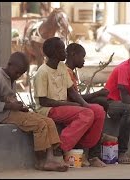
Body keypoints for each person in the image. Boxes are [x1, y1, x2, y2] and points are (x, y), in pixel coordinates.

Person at [0, 52, 68, 172]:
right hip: (3, 115)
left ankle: (51, 158)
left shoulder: (11, 79)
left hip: (13, 112)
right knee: (39, 125)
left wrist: (20, 107)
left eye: (21, 74)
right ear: (9, 64)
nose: (18, 75)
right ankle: (41, 161)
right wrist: (10, 106)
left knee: (48, 121)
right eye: (17, 72)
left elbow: (10, 98)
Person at [33, 37, 107, 167]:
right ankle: (59, 149)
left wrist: (85, 104)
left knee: (98, 111)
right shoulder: (42, 72)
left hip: (63, 107)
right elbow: (43, 101)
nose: (65, 52)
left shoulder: (61, 67)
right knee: (86, 114)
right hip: (49, 109)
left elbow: (71, 91)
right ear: (55, 52)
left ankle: (84, 146)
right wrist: (71, 104)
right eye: (62, 49)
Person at [65, 43, 118, 158]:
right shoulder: (66, 72)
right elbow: (72, 98)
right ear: (73, 55)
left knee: (101, 101)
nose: (84, 61)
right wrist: (97, 93)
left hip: (73, 103)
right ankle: (95, 151)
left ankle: (97, 138)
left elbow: (76, 96)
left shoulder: (71, 72)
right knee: (101, 102)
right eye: (82, 57)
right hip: (68, 105)